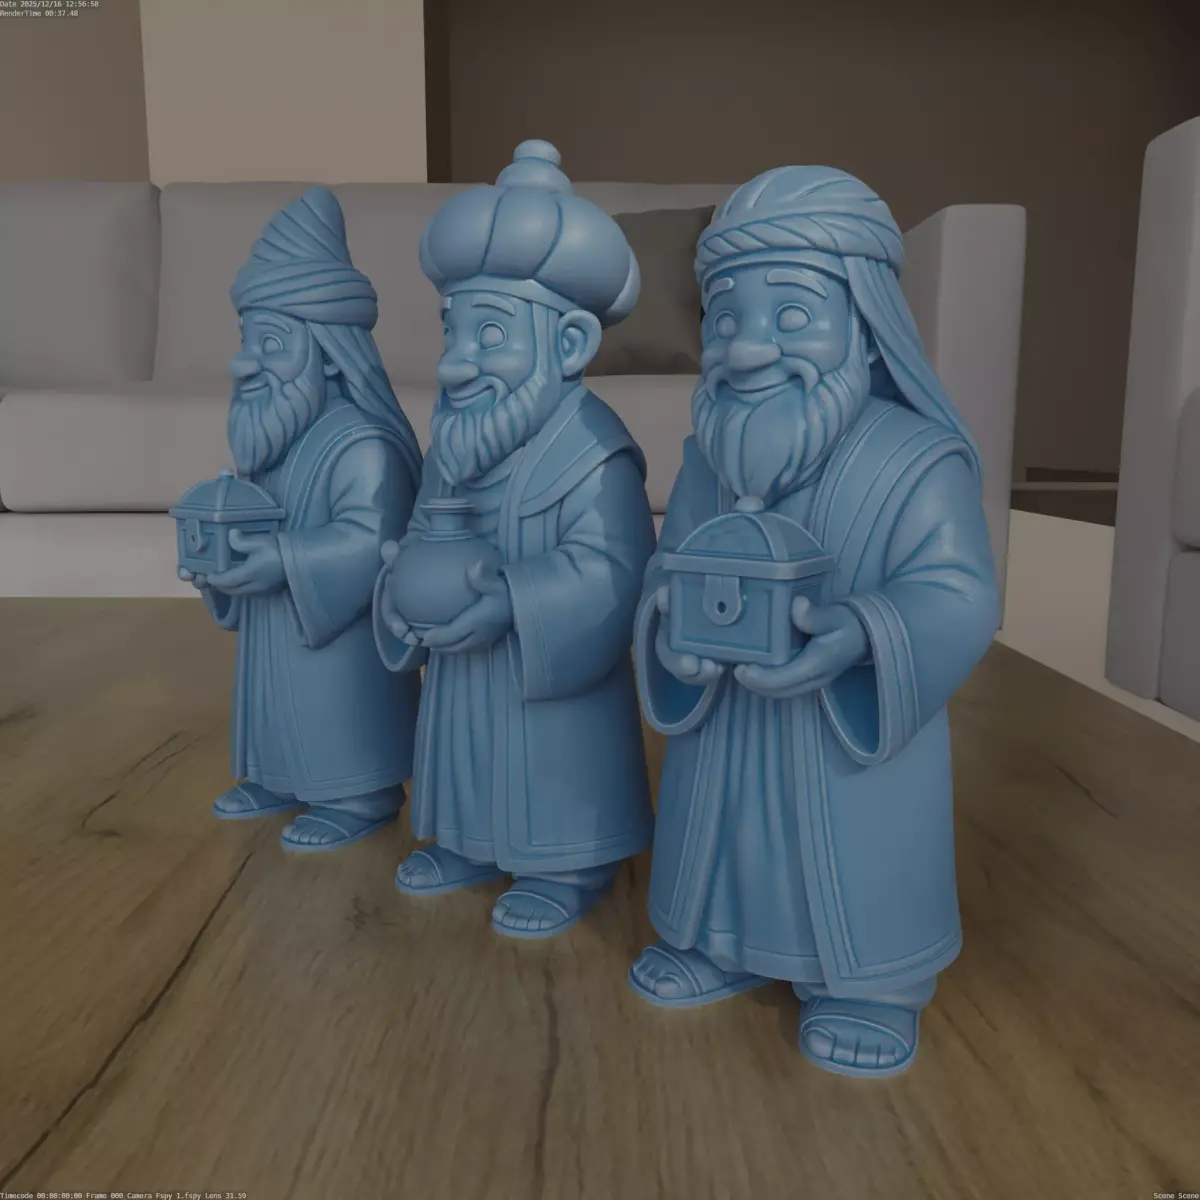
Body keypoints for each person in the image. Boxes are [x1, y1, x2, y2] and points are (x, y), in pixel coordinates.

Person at [630, 166, 1000, 1077]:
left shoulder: (919, 459)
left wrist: (864, 633)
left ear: (866, 330)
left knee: (846, 846)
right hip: (728, 722)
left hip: (847, 732)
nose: (749, 348)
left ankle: (869, 984)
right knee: (724, 839)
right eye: (725, 319)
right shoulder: (708, 460)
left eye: (792, 315)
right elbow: (664, 570)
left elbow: (958, 592)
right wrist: (669, 626)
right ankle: (718, 942)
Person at [373, 140, 656, 939]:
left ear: (569, 345)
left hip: (545, 677)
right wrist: (401, 584)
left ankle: (567, 862)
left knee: (550, 758)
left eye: (491, 336)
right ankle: (467, 842)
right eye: (452, 335)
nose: (457, 367)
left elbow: (613, 570)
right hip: (464, 669)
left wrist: (515, 601)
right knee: (464, 751)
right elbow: (416, 531)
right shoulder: (456, 446)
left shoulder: (595, 449)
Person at [181, 186, 423, 852]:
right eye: (245, 340)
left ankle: (360, 790)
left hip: (341, 636)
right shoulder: (275, 442)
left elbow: (375, 542)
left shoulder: (363, 443)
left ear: (328, 351)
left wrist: (284, 560)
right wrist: (221, 566)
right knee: (276, 698)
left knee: (336, 699)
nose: (244, 362)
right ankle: (280, 775)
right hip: (275, 624)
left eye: (271, 342)